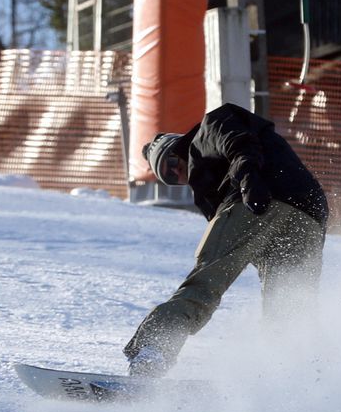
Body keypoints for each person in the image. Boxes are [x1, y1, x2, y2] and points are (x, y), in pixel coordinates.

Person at [126, 103, 329, 376]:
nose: (177, 174)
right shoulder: (209, 191)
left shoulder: (209, 128)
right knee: (291, 304)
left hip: (259, 200)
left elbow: (239, 142)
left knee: (204, 284)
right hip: (308, 214)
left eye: (172, 163)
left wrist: (248, 180)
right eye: (168, 178)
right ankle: (290, 375)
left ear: (181, 147)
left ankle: (152, 351)